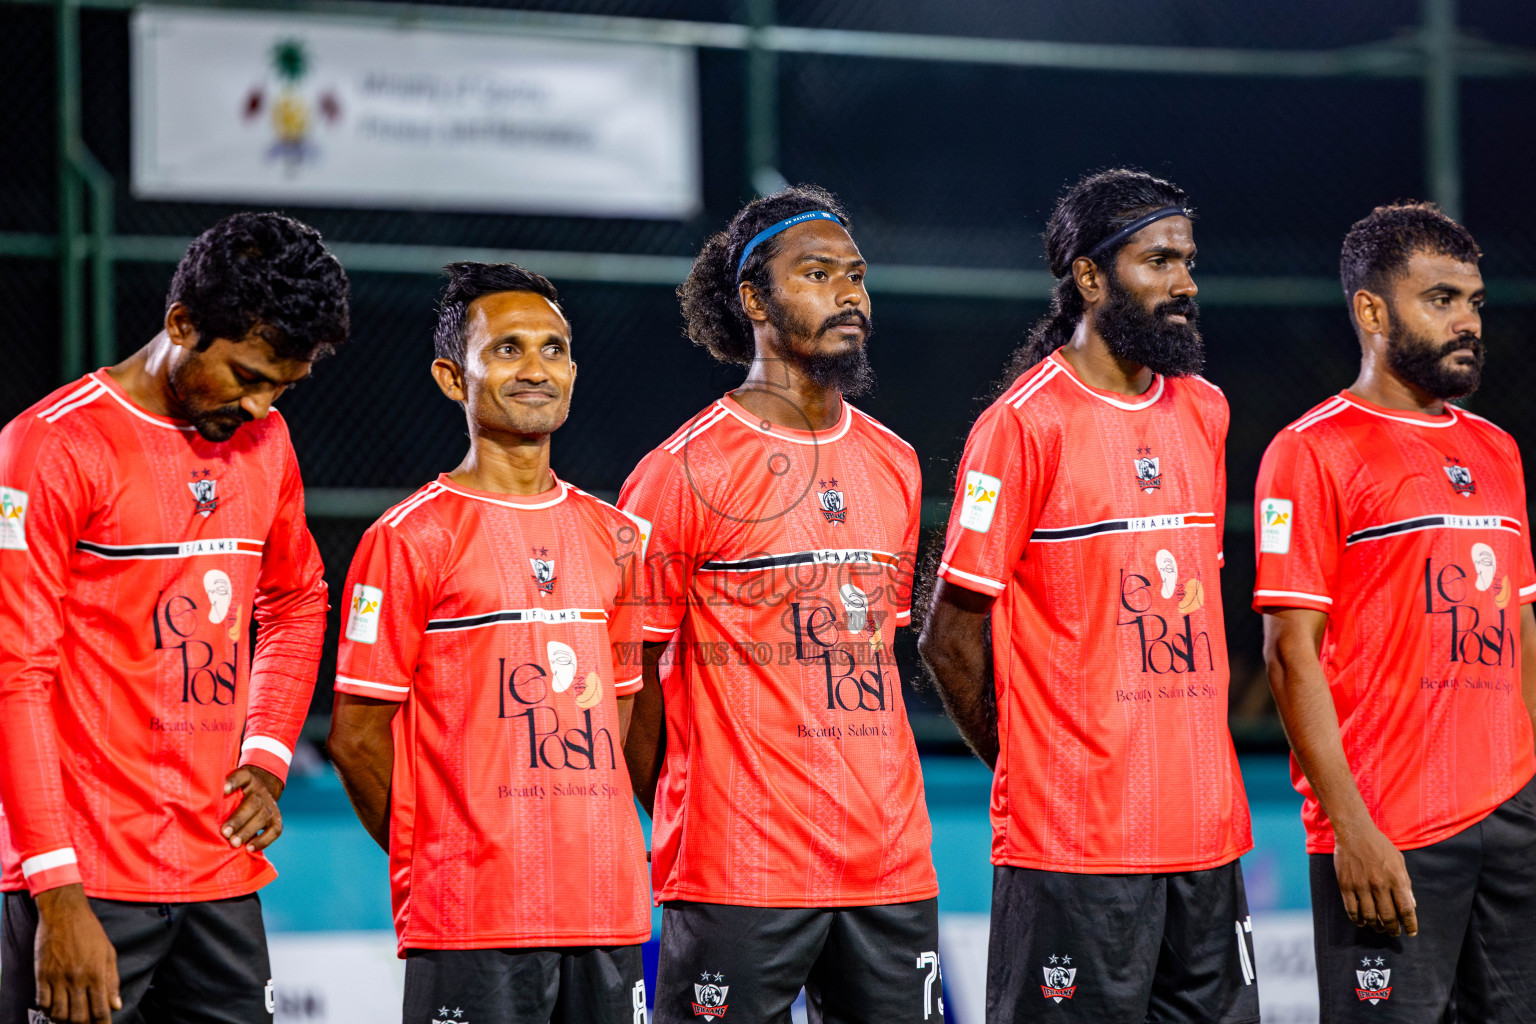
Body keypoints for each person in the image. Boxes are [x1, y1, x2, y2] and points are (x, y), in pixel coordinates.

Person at [920, 169, 1257, 1023]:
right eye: (1159, 262)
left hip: (1208, 841)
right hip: (1073, 851)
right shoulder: (1023, 425)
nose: (1184, 284)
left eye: (1188, 261)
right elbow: (948, 637)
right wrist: (1034, 770)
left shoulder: (1206, 411)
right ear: (1091, 277)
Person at [0, 212, 349, 1024]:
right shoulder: (49, 449)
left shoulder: (266, 443)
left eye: (283, 387)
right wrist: (56, 896)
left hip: (219, 873)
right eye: (247, 375)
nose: (262, 406)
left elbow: (297, 599)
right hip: (84, 881)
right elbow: (14, 674)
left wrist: (265, 756)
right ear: (182, 325)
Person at [619, 186, 941, 1024]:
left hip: (891, 866)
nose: (850, 295)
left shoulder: (896, 463)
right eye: (818, 273)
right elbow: (632, 680)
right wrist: (691, 815)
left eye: (858, 276)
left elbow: (873, 654)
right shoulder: (680, 471)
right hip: (738, 870)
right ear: (755, 300)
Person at [327, 263, 651, 1024]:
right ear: (452, 377)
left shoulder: (619, 538)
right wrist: (438, 861)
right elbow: (356, 737)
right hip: (473, 919)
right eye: (507, 350)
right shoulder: (408, 538)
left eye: (552, 349)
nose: (536, 368)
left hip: (609, 913)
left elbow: (620, 720)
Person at [1255, 202, 1536, 1021]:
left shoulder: (1497, 449)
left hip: (1513, 819)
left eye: (1475, 302)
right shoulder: (1311, 450)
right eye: (1440, 299)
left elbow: (1519, 625)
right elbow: (1289, 653)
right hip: (1390, 833)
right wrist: (1351, 829)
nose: (1467, 322)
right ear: (1371, 311)